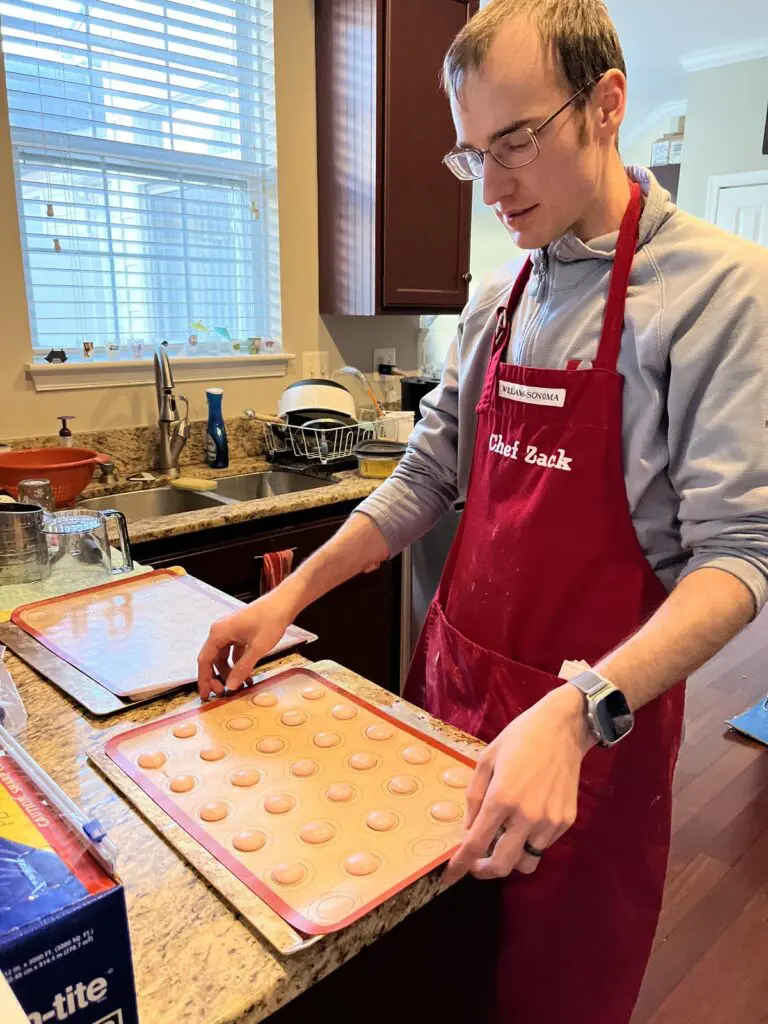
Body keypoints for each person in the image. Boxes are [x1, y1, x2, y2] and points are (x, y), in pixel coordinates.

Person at [198, 1, 768, 1020]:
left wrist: (582, 706)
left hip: (588, 734)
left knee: (553, 992)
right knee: (435, 975)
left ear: (607, 106)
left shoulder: (721, 292)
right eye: (472, 155)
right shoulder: (497, 301)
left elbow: (742, 559)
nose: (494, 188)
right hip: (449, 702)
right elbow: (422, 480)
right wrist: (290, 603)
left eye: (516, 143)